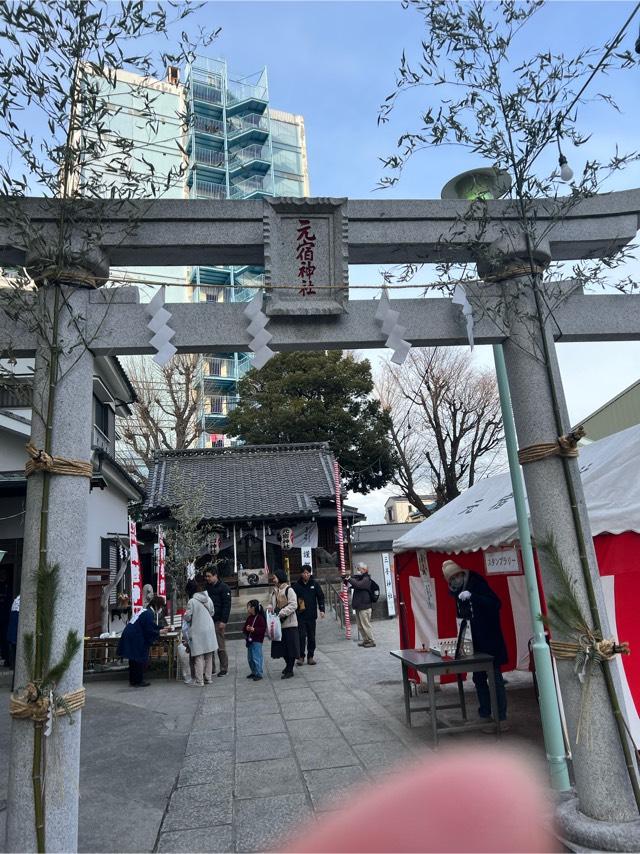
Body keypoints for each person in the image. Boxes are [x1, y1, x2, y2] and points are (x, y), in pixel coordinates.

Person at [442, 559, 508, 728]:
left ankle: (501, 717)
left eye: (456, 576)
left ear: (461, 573)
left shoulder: (477, 583)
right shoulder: (456, 592)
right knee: (478, 678)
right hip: (473, 641)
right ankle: (484, 713)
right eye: (451, 579)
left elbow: (496, 604)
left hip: (490, 639)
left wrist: (474, 597)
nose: (455, 580)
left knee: (495, 679)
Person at [117, 595, 169, 687]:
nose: (161, 609)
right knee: (138, 658)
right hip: (135, 636)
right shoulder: (149, 614)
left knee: (133, 659)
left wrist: (161, 628)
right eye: (161, 606)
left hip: (130, 634)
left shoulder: (145, 611)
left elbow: (150, 626)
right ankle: (138, 681)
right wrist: (159, 632)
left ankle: (133, 680)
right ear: (157, 606)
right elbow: (149, 629)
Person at [184, 574, 218, 686]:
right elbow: (212, 612)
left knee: (198, 656)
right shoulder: (207, 598)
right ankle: (208, 678)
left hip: (198, 630)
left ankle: (200, 680)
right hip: (209, 628)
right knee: (208, 655)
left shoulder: (192, 601)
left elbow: (188, 617)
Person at [270, 568, 300, 679]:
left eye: (275, 577)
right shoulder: (274, 590)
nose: (273, 579)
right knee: (282, 648)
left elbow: (293, 605)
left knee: (290, 648)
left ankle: (290, 669)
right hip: (278, 624)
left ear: (280, 577)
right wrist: (270, 608)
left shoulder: (289, 590)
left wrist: (282, 612)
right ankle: (288, 665)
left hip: (289, 623)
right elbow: (272, 603)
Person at [293, 565, 325, 665]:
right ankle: (301, 656)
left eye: (308, 573)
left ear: (310, 573)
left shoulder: (314, 584)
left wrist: (322, 609)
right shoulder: (296, 585)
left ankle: (310, 656)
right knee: (301, 636)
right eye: (304, 573)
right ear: (301, 574)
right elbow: (292, 600)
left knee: (311, 636)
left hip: (311, 616)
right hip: (300, 615)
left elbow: (320, 597)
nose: (306, 575)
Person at [343, 562, 377, 648]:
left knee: (365, 625)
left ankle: (371, 640)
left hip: (365, 606)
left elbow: (358, 585)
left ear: (364, 570)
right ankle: (365, 640)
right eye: (357, 568)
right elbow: (349, 585)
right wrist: (345, 579)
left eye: (359, 569)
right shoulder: (360, 578)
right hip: (359, 606)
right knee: (360, 626)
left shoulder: (366, 579)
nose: (357, 570)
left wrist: (349, 578)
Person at [205, 566, 232, 677]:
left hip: (219, 620)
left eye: (209, 576)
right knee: (209, 646)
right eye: (206, 576)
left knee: (220, 646)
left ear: (215, 575)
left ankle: (224, 668)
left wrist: (223, 621)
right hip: (208, 620)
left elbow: (227, 606)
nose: (207, 578)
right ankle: (211, 668)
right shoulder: (207, 588)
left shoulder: (224, 588)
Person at [243, 599, 267, 681]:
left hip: (257, 640)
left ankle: (258, 673)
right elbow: (244, 629)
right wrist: (246, 628)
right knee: (250, 658)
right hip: (250, 640)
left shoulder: (260, 618)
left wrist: (254, 630)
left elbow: (263, 629)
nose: (248, 608)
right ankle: (253, 672)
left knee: (257, 657)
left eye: (249, 606)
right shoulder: (249, 617)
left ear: (253, 608)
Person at [7, 594, 19, 691]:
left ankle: (14, 686)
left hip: (14, 637)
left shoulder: (17, 600)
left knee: (16, 663)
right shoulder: (20, 602)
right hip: (16, 636)